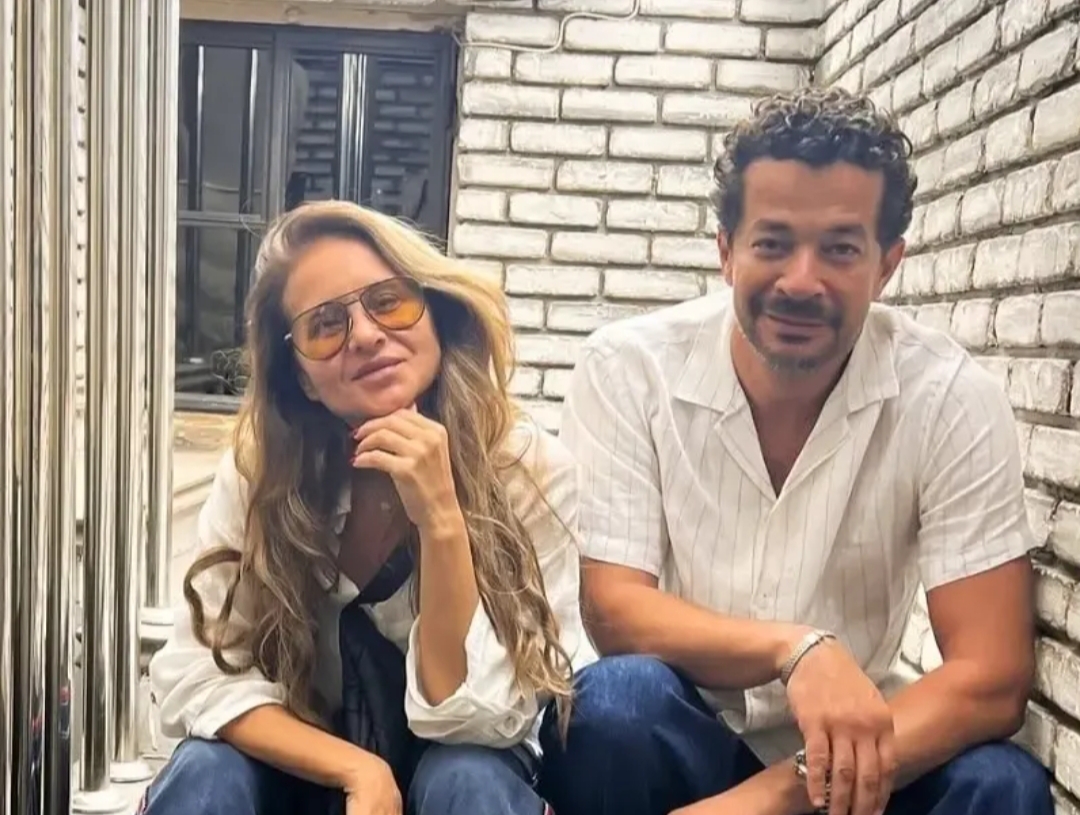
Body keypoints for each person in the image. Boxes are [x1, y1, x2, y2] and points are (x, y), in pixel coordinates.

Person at [539, 87, 1053, 815]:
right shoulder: (629, 368)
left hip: (858, 765)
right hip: (686, 741)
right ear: (726, 252)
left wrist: (771, 798)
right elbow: (615, 609)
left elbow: (992, 677)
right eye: (772, 243)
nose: (801, 281)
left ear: (887, 265)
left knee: (1001, 783)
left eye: (840, 249)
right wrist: (797, 648)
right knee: (612, 704)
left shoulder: (948, 394)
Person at [143, 201, 596, 815]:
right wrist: (357, 769)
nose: (365, 335)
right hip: (307, 769)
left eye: (389, 301)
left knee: (467, 776)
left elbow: (478, 719)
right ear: (301, 376)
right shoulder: (262, 472)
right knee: (207, 770)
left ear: (434, 312)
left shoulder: (526, 468)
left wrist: (441, 520)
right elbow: (197, 674)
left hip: (464, 775)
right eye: (324, 325)